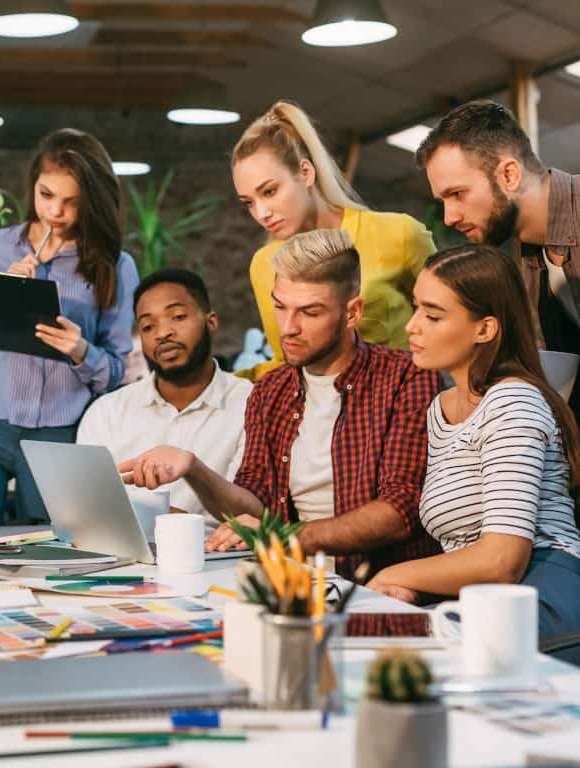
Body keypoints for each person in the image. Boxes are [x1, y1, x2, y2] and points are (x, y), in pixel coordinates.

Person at [118, 230, 442, 581]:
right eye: (280, 306)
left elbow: (399, 511)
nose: (287, 328)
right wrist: (194, 469)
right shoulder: (271, 389)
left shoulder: (406, 377)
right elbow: (255, 505)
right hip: (288, 584)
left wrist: (282, 538)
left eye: (310, 312)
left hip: (375, 588)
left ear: (352, 312)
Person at [366, 244, 580, 659]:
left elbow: (502, 559)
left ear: (484, 329)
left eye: (433, 315)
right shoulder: (440, 410)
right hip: (484, 597)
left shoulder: (513, 401)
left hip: (544, 587)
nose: (412, 327)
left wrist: (393, 573)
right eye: (415, 308)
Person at [0, 128, 139, 527]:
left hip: (60, 431)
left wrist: (81, 350)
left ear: (92, 202)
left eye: (72, 202)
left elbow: (116, 374)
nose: (55, 212)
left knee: (57, 560)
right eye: (46, 195)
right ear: (32, 184)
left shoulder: (116, 266)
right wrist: (1, 299)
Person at [232, 100, 436, 380]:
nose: (261, 214)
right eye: (248, 203)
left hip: (403, 405)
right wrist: (219, 386)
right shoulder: (265, 264)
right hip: (316, 415)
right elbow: (286, 362)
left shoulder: (398, 234)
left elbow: (453, 319)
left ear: (305, 172)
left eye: (269, 192)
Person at [416, 99, 580, 423]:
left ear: (509, 175)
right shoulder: (523, 258)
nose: (449, 217)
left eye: (458, 194)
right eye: (443, 201)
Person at [78, 268, 252, 530]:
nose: (163, 333)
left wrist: (183, 522)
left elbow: (258, 511)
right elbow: (84, 508)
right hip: (124, 555)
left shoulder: (252, 404)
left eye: (178, 317)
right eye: (148, 326)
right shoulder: (107, 411)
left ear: (211, 322)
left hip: (217, 556)